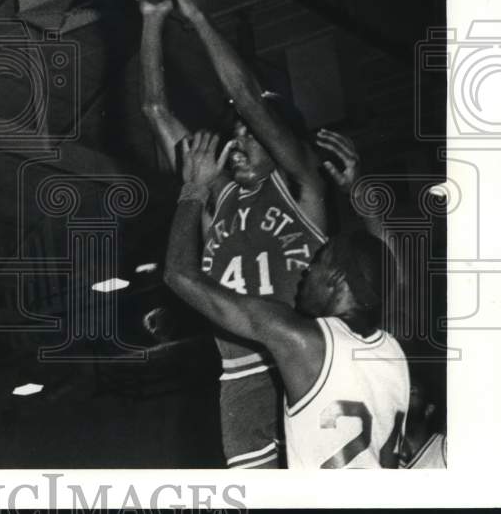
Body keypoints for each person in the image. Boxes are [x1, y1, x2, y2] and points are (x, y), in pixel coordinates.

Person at [141, 0, 328, 468]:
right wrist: (151, 17)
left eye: (255, 137)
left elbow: (245, 95)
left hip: (306, 362)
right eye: (236, 136)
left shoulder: (302, 187)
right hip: (238, 377)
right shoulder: (214, 194)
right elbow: (154, 109)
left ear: (283, 144)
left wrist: (196, 14)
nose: (239, 143)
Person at [163, 131, 409, 469]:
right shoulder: (390, 343)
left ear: (337, 281)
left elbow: (179, 275)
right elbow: (395, 271)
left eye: (317, 263)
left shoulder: (299, 340)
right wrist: (360, 191)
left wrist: (192, 188)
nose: (305, 271)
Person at [400, 367, 447, 468]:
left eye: (411, 392)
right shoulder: (381, 449)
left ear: (428, 410)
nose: (402, 397)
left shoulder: (445, 449)